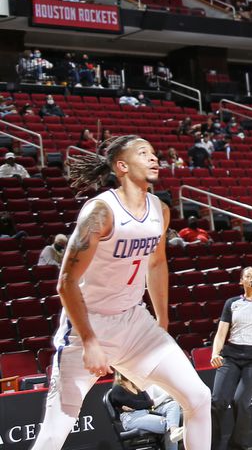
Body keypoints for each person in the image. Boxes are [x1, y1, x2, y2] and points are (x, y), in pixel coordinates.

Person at [29, 135, 210, 450]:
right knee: (56, 429)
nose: (153, 158)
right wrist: (89, 341)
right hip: (88, 324)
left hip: (134, 321)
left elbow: (156, 265)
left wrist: (162, 322)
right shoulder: (100, 212)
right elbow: (66, 282)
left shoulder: (159, 209)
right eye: (144, 154)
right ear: (122, 166)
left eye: (154, 153)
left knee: (198, 397)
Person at [210, 267, 252, 450]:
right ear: (241, 281)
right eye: (248, 276)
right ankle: (212, 446)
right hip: (230, 357)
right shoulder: (232, 303)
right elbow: (221, 333)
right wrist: (215, 353)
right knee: (217, 402)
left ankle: (237, 446)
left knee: (240, 401)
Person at [110, 372, 184, 450]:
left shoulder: (136, 384)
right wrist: (151, 402)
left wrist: (148, 403)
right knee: (168, 423)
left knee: (173, 405)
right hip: (132, 417)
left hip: (146, 412)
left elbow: (147, 402)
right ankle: (173, 431)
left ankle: (174, 431)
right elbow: (136, 405)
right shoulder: (117, 388)